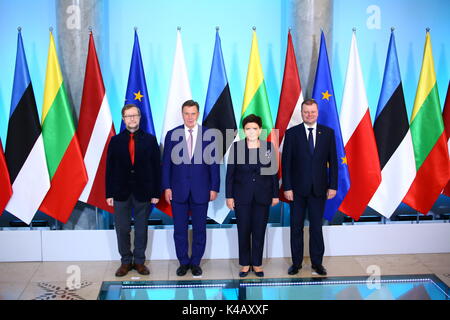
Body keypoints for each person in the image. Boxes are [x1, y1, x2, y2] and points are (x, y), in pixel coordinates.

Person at [162, 99, 220, 277]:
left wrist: (214, 187)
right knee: (179, 229)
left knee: (199, 229)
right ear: (182, 114)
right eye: (186, 113)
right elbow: (166, 165)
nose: (190, 117)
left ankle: (195, 262)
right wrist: (166, 187)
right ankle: (183, 262)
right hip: (178, 190)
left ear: (198, 114)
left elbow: (214, 164)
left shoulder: (210, 134)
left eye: (193, 113)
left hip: (201, 190)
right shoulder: (172, 134)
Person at [282, 99, 338, 276]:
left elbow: (334, 163)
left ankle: (317, 263)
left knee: (316, 227)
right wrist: (287, 187)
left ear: (317, 112)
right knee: (296, 227)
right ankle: (296, 263)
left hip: (319, 190)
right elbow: (286, 163)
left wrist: (333, 186)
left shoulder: (328, 133)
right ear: (301, 112)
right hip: (297, 191)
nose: (309, 114)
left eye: (312, 111)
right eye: (306, 112)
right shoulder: (291, 134)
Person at [105, 104, 161, 277]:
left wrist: (156, 193)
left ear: (139, 117)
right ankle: (125, 262)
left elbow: (156, 168)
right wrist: (109, 193)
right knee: (122, 228)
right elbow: (110, 168)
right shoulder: (115, 141)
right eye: (128, 116)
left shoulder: (150, 140)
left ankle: (139, 261)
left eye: (135, 115)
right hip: (120, 192)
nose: (132, 119)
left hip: (143, 191)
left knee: (141, 228)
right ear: (123, 119)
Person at [226, 114, 279, 277]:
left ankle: (256, 263)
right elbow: (230, 175)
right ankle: (244, 264)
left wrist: (275, 194)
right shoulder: (237, 148)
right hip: (242, 196)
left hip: (262, 196)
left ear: (260, 130)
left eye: (254, 128)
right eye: (248, 129)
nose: (251, 132)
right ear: (244, 130)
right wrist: (229, 196)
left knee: (259, 230)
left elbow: (273, 174)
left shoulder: (268, 148)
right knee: (243, 230)